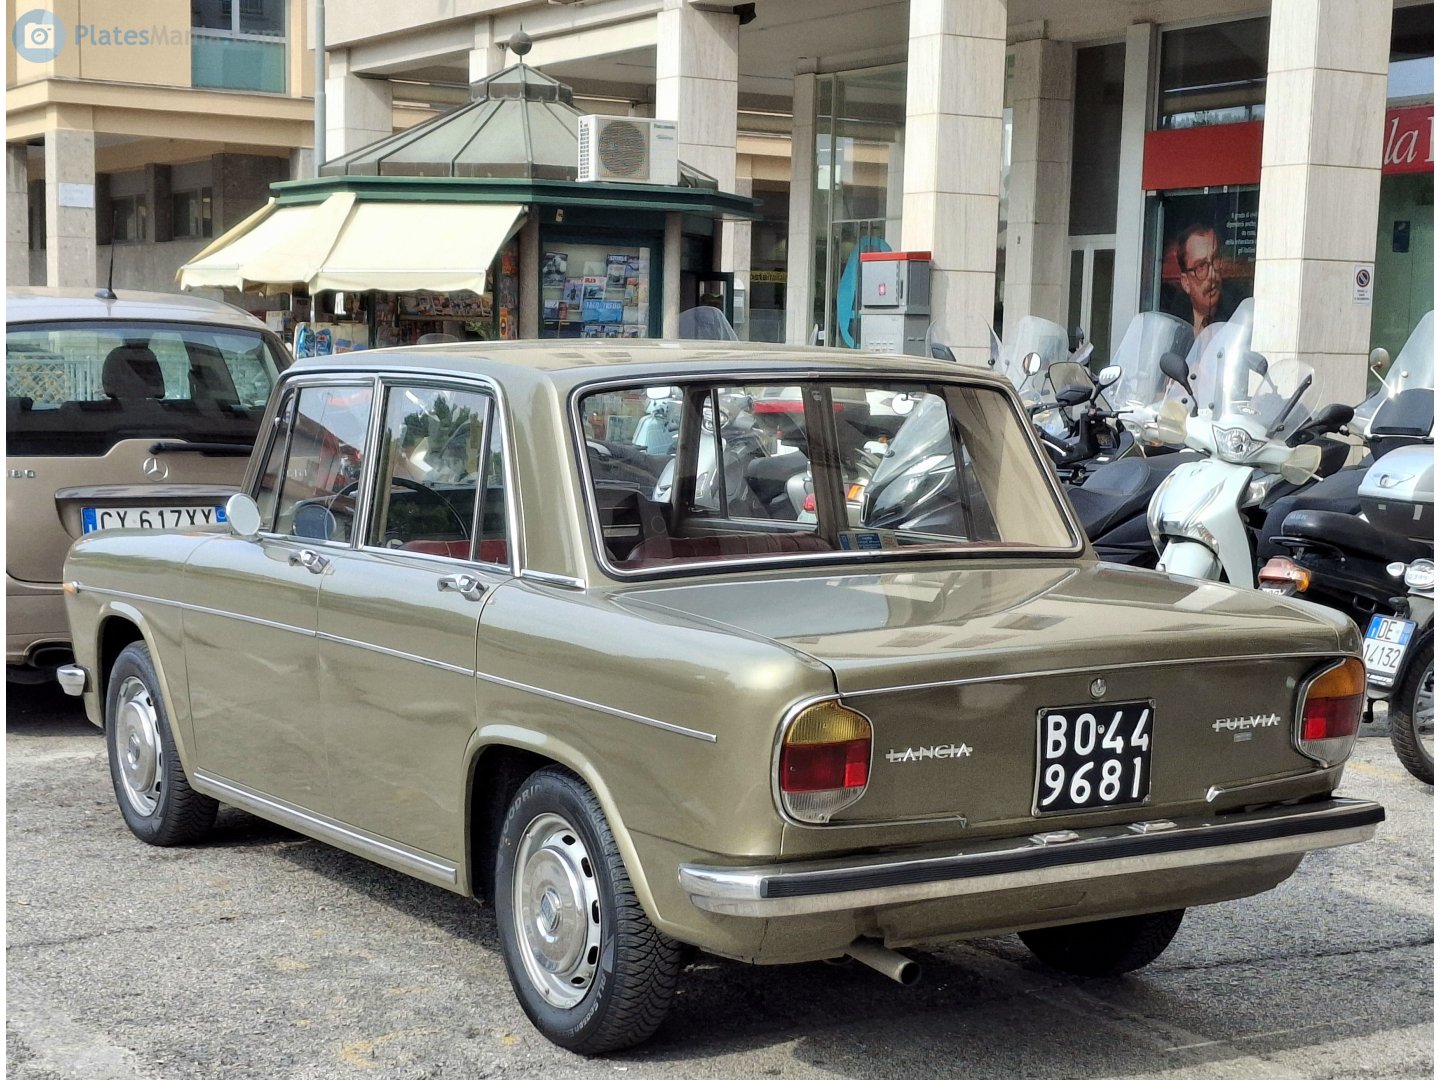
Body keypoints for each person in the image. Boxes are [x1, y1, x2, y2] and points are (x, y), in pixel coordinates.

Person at [1171, 224, 1239, 335]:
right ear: (1186, 282)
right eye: (1201, 266)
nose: (1212, 275)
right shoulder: (1175, 322)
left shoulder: (1235, 317)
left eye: (1215, 259)